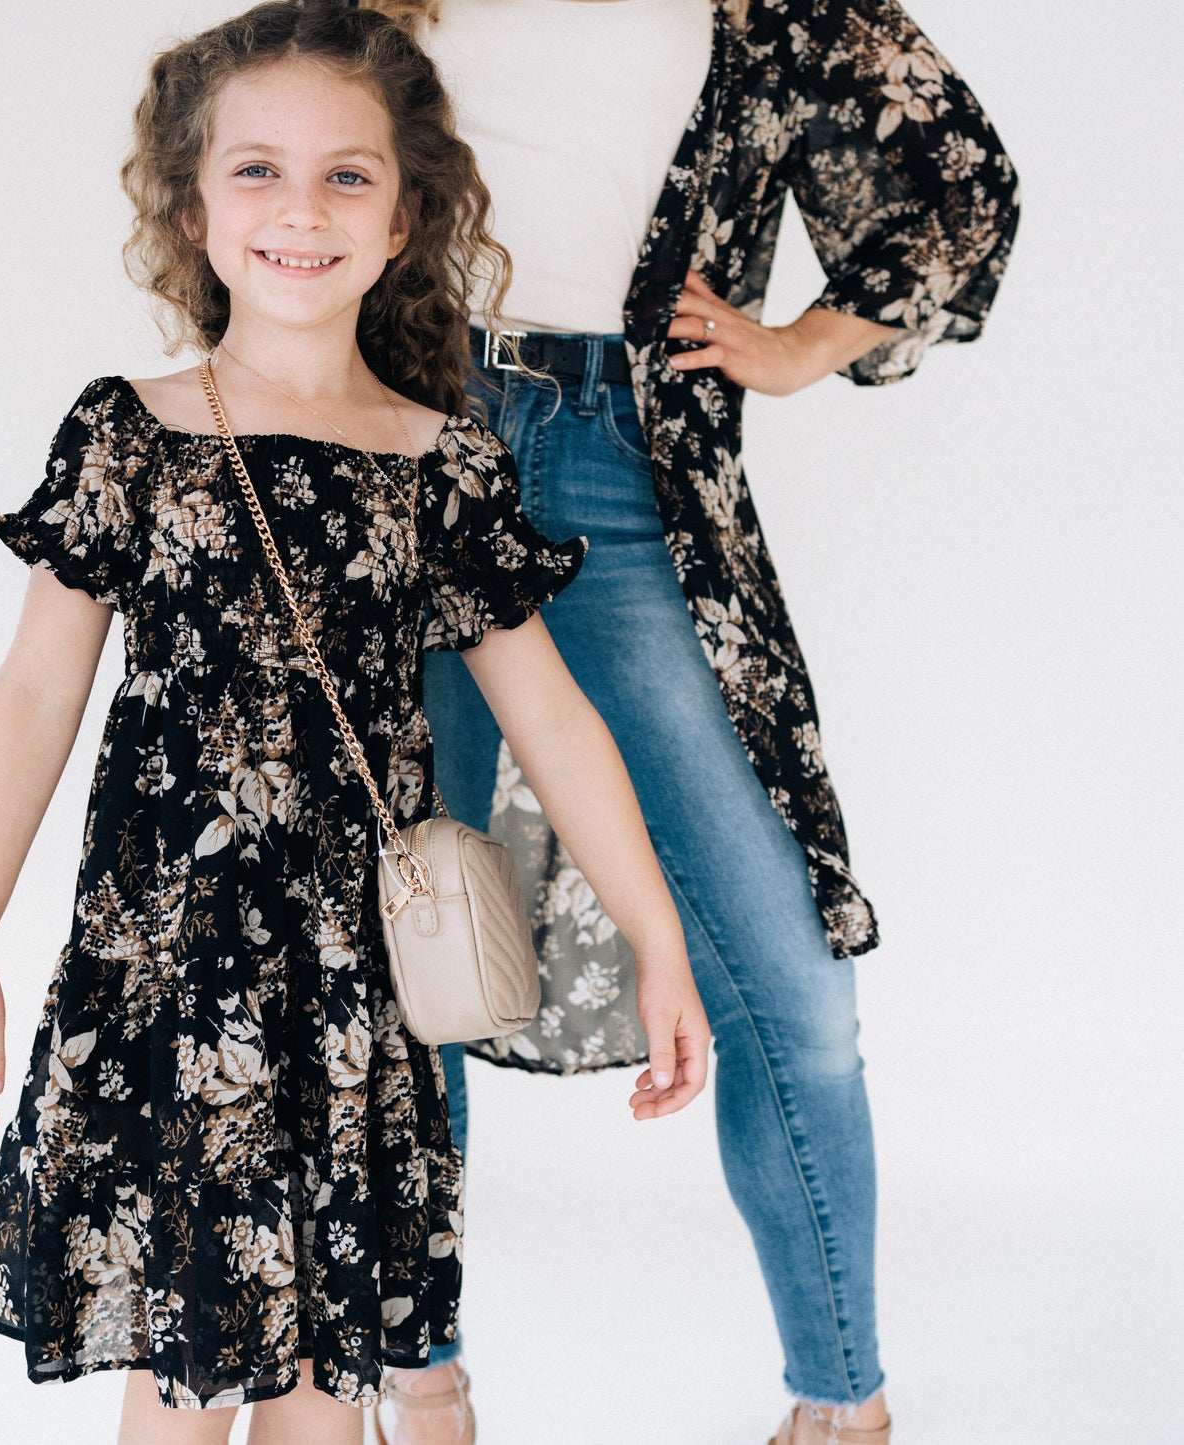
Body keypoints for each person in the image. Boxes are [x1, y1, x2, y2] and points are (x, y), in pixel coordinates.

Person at [0, 4, 711, 1442]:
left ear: (404, 221)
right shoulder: (130, 431)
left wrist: (658, 940)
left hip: (347, 992)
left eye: (348, 175)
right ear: (189, 205)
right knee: (181, 1377)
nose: (301, 208)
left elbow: (555, 719)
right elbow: (32, 692)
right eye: (256, 171)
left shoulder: (440, 457)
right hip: (170, 984)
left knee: (323, 1381)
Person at [361, 2, 1021, 1444]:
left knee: (789, 989)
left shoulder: (771, 5)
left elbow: (960, 183)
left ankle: (839, 1403)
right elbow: (265, 162)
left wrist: (801, 345)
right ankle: (415, 1370)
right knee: (397, 938)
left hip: (626, 466)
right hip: (401, 436)